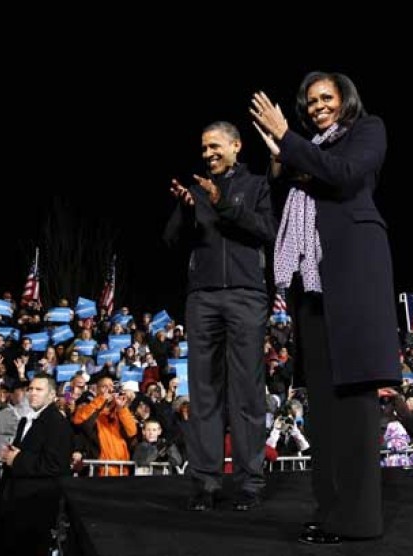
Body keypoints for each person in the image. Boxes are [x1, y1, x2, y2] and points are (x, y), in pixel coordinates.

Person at [251, 72, 402, 544]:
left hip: (351, 278)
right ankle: (331, 509)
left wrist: (287, 141)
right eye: (309, 101)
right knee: (323, 405)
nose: (317, 106)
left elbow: (342, 175)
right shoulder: (306, 151)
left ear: (345, 99)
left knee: (354, 404)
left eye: (325, 98)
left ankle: (358, 520)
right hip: (310, 286)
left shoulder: (367, 130)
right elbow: (294, 198)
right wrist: (281, 162)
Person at [163, 120, 277, 512]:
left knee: (246, 392)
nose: (208, 154)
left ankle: (249, 482)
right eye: (204, 148)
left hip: (247, 296)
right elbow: (171, 241)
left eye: (215, 147)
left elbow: (266, 231)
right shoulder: (194, 191)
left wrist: (223, 203)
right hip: (203, 299)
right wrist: (185, 207)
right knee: (205, 392)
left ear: (236, 146)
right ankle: (206, 482)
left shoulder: (257, 185)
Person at [0, 375, 73, 555]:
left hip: (38, 503)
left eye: (39, 390)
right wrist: (10, 456)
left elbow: (56, 464)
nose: (32, 393)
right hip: (16, 499)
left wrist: (18, 459)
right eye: (30, 389)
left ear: (52, 394)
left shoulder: (57, 422)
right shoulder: (26, 420)